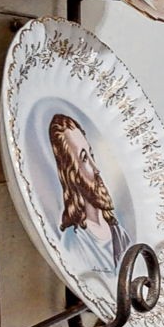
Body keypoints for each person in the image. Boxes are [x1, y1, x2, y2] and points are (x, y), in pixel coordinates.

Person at [49, 113, 131, 277]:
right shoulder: (74, 242)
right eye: (85, 158)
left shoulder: (118, 233)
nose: (96, 169)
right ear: (72, 174)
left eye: (91, 155)